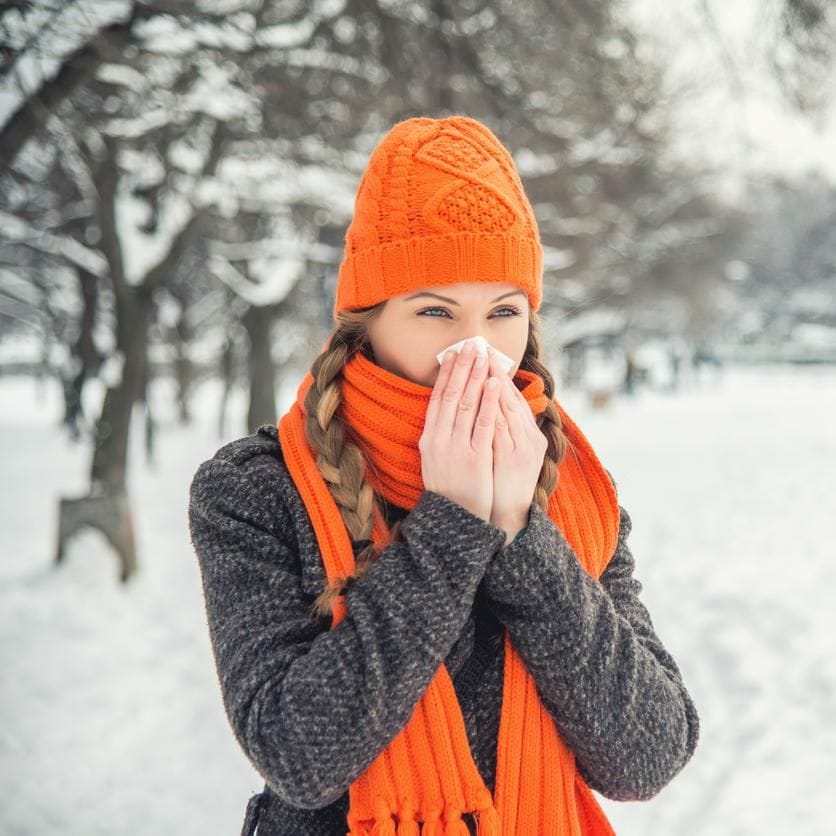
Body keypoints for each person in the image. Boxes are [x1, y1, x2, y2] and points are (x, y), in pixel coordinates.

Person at [188, 115, 700, 836]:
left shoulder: (574, 490)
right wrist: (454, 525)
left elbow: (647, 756)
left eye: (503, 312)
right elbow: (297, 756)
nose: (478, 350)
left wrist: (521, 535)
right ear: (366, 322)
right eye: (435, 310)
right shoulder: (257, 490)